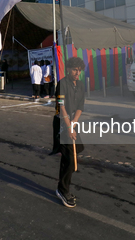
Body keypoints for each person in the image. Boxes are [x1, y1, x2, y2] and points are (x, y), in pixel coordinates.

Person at [55, 57, 86, 208]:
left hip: (72, 123)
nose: (77, 73)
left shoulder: (80, 85)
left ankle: (63, 186)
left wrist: (74, 123)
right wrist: (69, 127)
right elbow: (62, 108)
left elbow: (80, 106)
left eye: (79, 70)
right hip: (63, 124)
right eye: (74, 69)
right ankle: (62, 190)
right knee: (70, 161)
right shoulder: (62, 84)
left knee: (74, 152)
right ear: (68, 69)